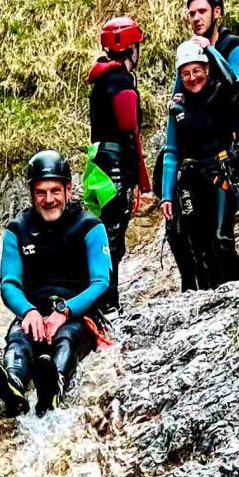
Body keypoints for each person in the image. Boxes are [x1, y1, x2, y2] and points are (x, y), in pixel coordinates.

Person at [0, 151, 112, 417]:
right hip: (35, 311)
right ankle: (13, 384)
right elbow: (9, 284)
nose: (48, 199)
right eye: (40, 192)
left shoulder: (90, 227)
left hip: (77, 314)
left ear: (69, 189)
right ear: (31, 193)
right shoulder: (17, 229)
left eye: (55, 191)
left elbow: (101, 282)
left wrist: (63, 312)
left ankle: (55, 384)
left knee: (67, 338)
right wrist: (28, 312)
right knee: (19, 339)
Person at [159, 39, 239, 291]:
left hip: (221, 172)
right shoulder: (177, 107)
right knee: (199, 245)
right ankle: (209, 298)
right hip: (191, 178)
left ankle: (237, 292)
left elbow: (234, 83)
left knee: (221, 238)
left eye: (197, 70)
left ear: (207, 69)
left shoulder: (220, 92)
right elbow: (171, 152)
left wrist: (209, 49)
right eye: (185, 73)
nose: (192, 77)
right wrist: (166, 195)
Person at [85, 16, 150, 314]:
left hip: (97, 164)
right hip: (115, 168)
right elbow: (130, 132)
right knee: (113, 240)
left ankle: (100, 301)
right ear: (130, 48)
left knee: (103, 234)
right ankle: (106, 305)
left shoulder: (100, 81)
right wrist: (140, 179)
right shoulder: (121, 82)